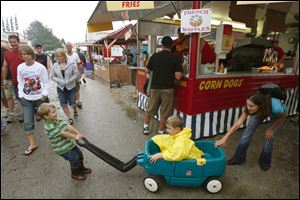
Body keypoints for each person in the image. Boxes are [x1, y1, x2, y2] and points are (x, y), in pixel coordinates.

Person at [214, 92, 287, 171]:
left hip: (279, 115)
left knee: (269, 136)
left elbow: (282, 117)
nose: (248, 108)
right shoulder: (250, 107)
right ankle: (238, 158)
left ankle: (265, 161)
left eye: (251, 106)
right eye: (247, 104)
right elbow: (238, 124)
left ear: (260, 105)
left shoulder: (276, 108)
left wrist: (271, 129)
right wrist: (224, 139)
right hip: (260, 111)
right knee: (247, 133)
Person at [37, 103, 91, 180]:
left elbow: (68, 126)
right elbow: (63, 133)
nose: (56, 113)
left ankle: (81, 168)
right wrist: (75, 136)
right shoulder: (49, 127)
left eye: (55, 111)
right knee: (74, 158)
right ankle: (75, 173)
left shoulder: (57, 119)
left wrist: (77, 133)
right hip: (61, 148)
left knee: (79, 154)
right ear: (46, 116)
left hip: (68, 144)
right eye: (53, 112)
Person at [143, 36, 183, 135]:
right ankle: (160, 132)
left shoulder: (154, 56)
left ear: (162, 46)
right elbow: (178, 76)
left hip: (154, 88)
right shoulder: (175, 58)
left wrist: (151, 77)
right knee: (164, 113)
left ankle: (146, 127)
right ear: (172, 45)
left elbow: (147, 71)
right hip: (168, 89)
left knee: (150, 109)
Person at [17, 45, 50, 155]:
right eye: (22, 54)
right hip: (27, 99)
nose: (25, 56)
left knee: (50, 119)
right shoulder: (20, 67)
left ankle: (57, 138)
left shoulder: (40, 67)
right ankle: (32, 144)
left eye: (27, 53)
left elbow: (46, 82)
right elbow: (20, 82)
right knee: (28, 122)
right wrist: (21, 95)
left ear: (32, 54)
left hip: (40, 98)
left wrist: (44, 95)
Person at [51, 48, 80, 125]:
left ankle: (75, 110)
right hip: (61, 88)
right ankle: (70, 118)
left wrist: (70, 80)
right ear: (56, 57)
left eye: (61, 56)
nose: (60, 58)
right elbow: (52, 76)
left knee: (73, 103)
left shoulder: (71, 64)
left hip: (71, 87)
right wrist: (60, 81)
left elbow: (76, 74)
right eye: (58, 56)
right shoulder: (55, 66)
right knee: (63, 104)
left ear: (64, 56)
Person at [1, 35, 24, 123]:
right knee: (9, 97)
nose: (13, 43)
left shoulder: (23, 52)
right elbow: (5, 67)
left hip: (23, 80)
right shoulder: (7, 54)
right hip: (12, 79)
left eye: (14, 41)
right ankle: (11, 114)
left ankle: (22, 113)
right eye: (11, 42)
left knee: (20, 97)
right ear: (9, 43)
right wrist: (4, 79)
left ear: (18, 42)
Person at [66, 42, 83, 109]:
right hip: (67, 75)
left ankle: (78, 101)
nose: (68, 47)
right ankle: (72, 101)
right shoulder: (64, 55)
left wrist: (80, 73)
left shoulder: (75, 55)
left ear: (72, 47)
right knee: (69, 88)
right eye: (67, 46)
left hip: (75, 74)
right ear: (66, 47)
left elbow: (78, 64)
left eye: (69, 46)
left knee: (77, 88)